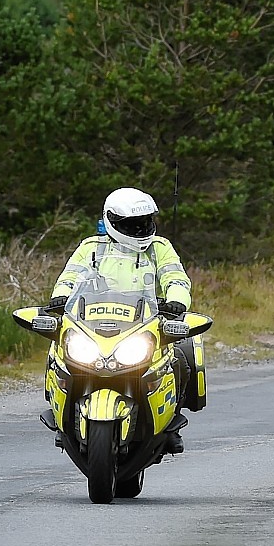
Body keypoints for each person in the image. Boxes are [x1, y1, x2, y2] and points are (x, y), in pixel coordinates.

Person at [47, 188, 199, 451]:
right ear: (112, 221)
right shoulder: (91, 247)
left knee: (180, 361)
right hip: (93, 322)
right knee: (59, 353)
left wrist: (177, 301)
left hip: (144, 322)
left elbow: (175, 277)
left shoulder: (160, 248)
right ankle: (64, 418)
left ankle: (171, 424)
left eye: (145, 223)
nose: (140, 229)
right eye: (131, 225)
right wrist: (61, 297)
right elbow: (69, 277)